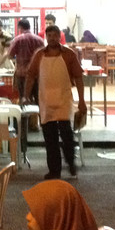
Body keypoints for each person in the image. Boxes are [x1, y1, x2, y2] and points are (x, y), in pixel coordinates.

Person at [24, 25, 86, 180]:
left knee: (67, 135)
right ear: (46, 37)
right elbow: (31, 76)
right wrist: (26, 95)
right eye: (49, 35)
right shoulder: (39, 55)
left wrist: (82, 101)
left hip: (64, 101)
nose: (52, 38)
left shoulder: (69, 55)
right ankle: (54, 170)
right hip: (45, 101)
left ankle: (71, 163)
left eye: (54, 35)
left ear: (60, 37)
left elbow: (78, 77)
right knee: (50, 138)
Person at [8, 18, 45, 100]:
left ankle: (26, 112)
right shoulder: (39, 40)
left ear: (20, 27)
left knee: (24, 98)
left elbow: (10, 55)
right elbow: (44, 55)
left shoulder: (17, 40)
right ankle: (38, 112)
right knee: (37, 98)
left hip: (22, 74)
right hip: (37, 74)